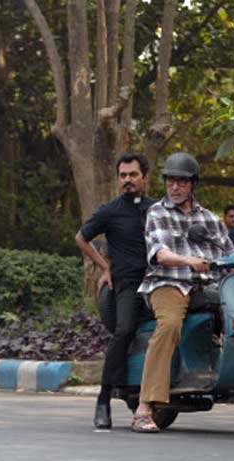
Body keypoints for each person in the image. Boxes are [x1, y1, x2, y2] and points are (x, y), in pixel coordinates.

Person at [131, 152, 234, 433]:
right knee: (170, 326)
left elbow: (231, 255)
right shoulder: (157, 213)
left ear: (193, 185)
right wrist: (189, 261)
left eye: (182, 182)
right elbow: (160, 253)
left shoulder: (211, 219)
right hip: (168, 283)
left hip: (207, 286)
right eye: (170, 181)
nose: (175, 187)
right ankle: (145, 406)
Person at [75, 152, 155, 430]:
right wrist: (104, 268)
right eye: (123, 175)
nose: (128, 180)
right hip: (127, 284)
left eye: (133, 175)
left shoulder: (157, 209)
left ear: (144, 176)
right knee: (124, 330)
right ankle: (103, 399)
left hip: (160, 282)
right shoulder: (111, 210)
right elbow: (81, 238)